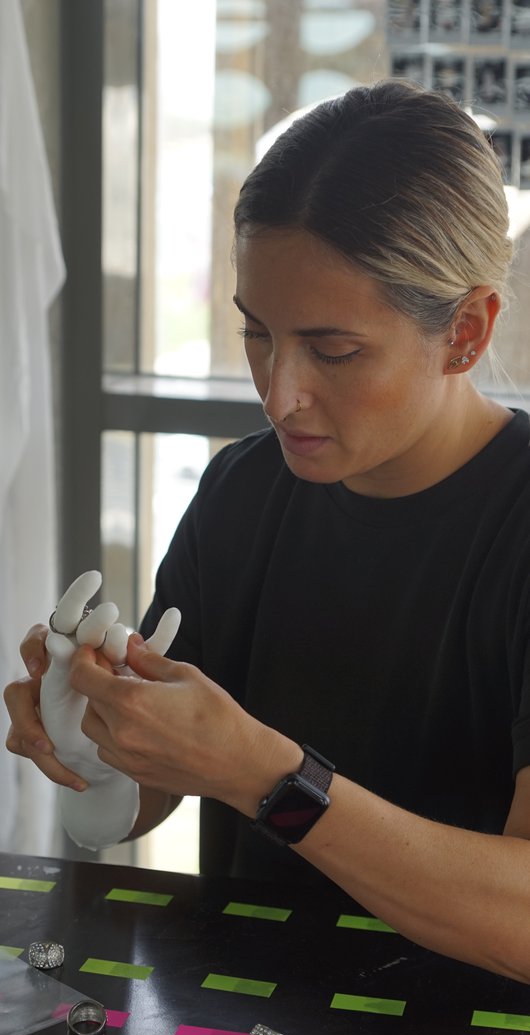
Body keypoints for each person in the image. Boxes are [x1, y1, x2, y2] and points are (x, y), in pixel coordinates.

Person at [5, 79, 530, 983]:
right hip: (251, 1015)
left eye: (334, 351)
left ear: (467, 332)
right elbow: (154, 793)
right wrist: (103, 750)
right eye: (257, 334)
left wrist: (268, 778)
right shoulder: (243, 490)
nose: (279, 393)